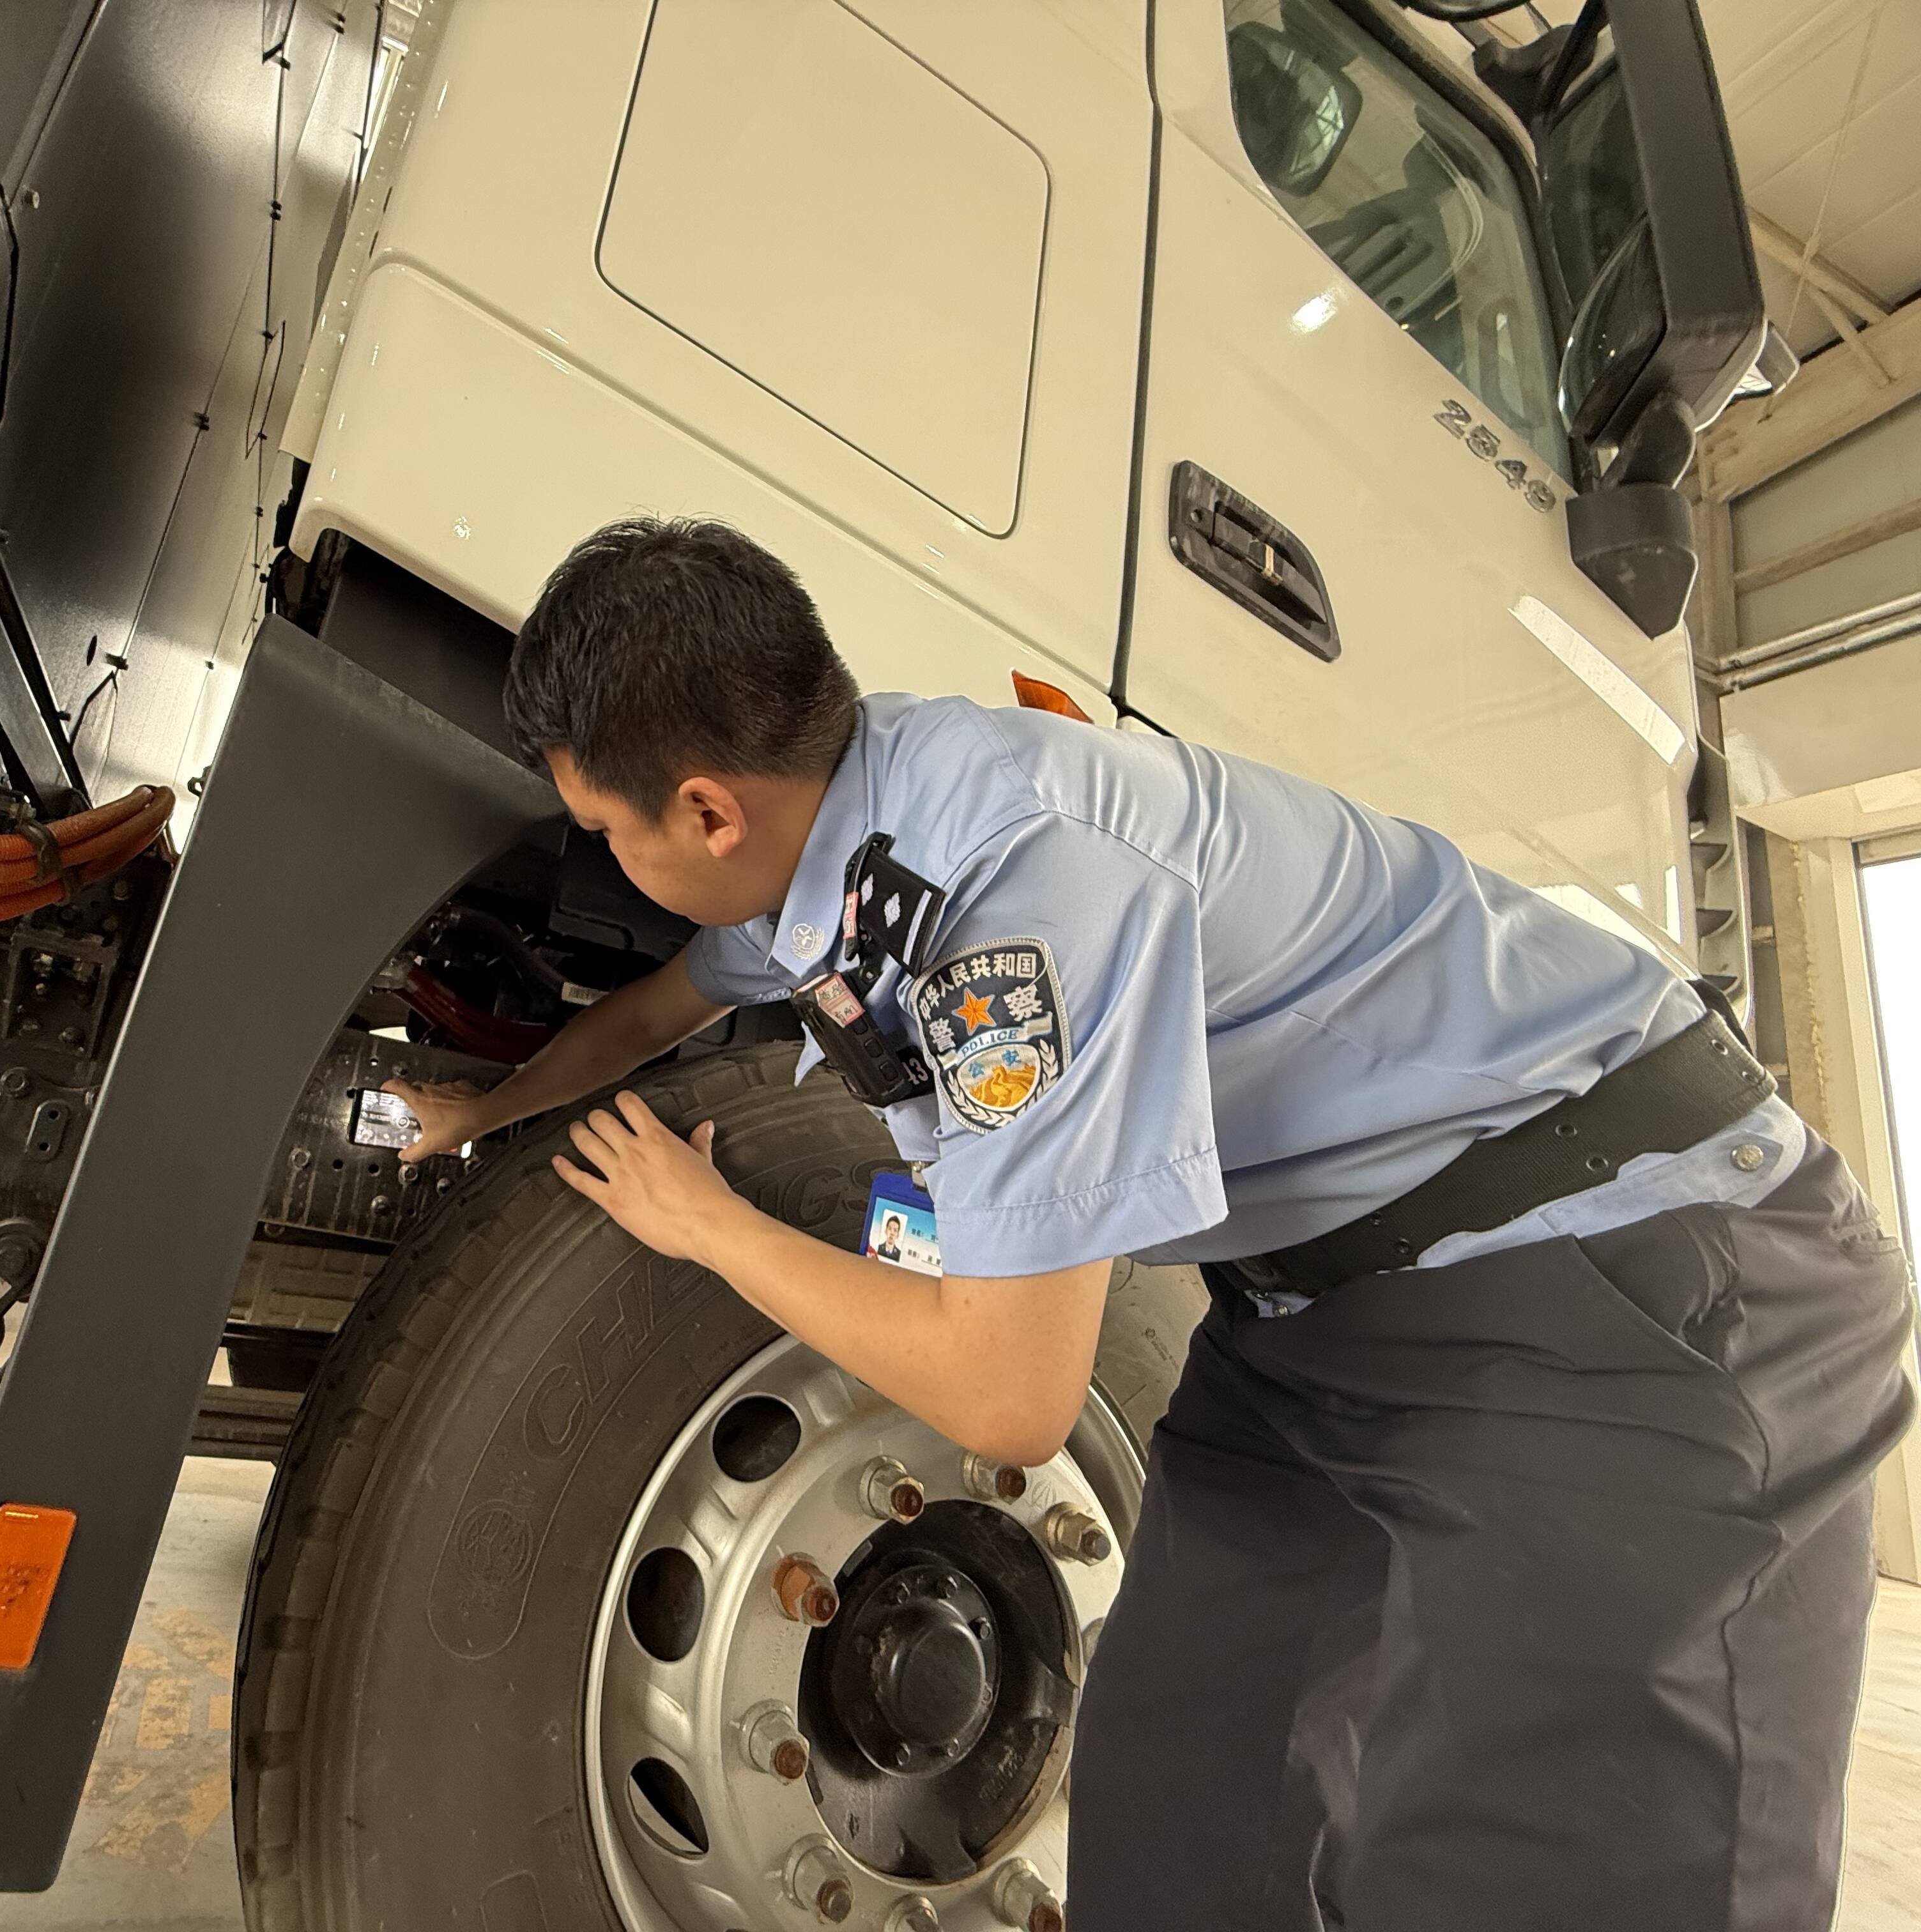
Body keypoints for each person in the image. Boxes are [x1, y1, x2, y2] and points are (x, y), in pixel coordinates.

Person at [383, 517, 1915, 1930]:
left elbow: (1009, 1392)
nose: (607, 862)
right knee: (1188, 1804)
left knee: (1542, 1870)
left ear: (709, 810)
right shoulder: (831, 844)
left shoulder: (1008, 893)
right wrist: (486, 1108)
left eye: (604, 829)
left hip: (1629, 1279)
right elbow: (664, 1001)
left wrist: (710, 1223)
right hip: (1325, 1315)